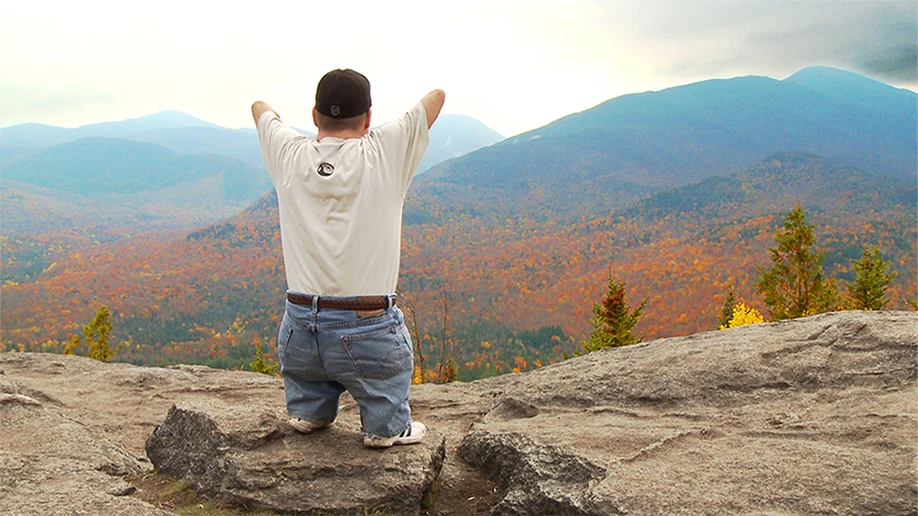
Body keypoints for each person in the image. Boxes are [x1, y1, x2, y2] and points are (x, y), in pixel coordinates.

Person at [251, 69, 445, 448]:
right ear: (369, 117)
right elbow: (436, 96)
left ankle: (310, 411)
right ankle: (386, 428)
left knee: (308, 383)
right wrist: (376, 135)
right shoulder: (383, 152)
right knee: (384, 395)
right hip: (367, 330)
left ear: (313, 116)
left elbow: (260, 109)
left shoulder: (289, 153)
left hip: (299, 332)